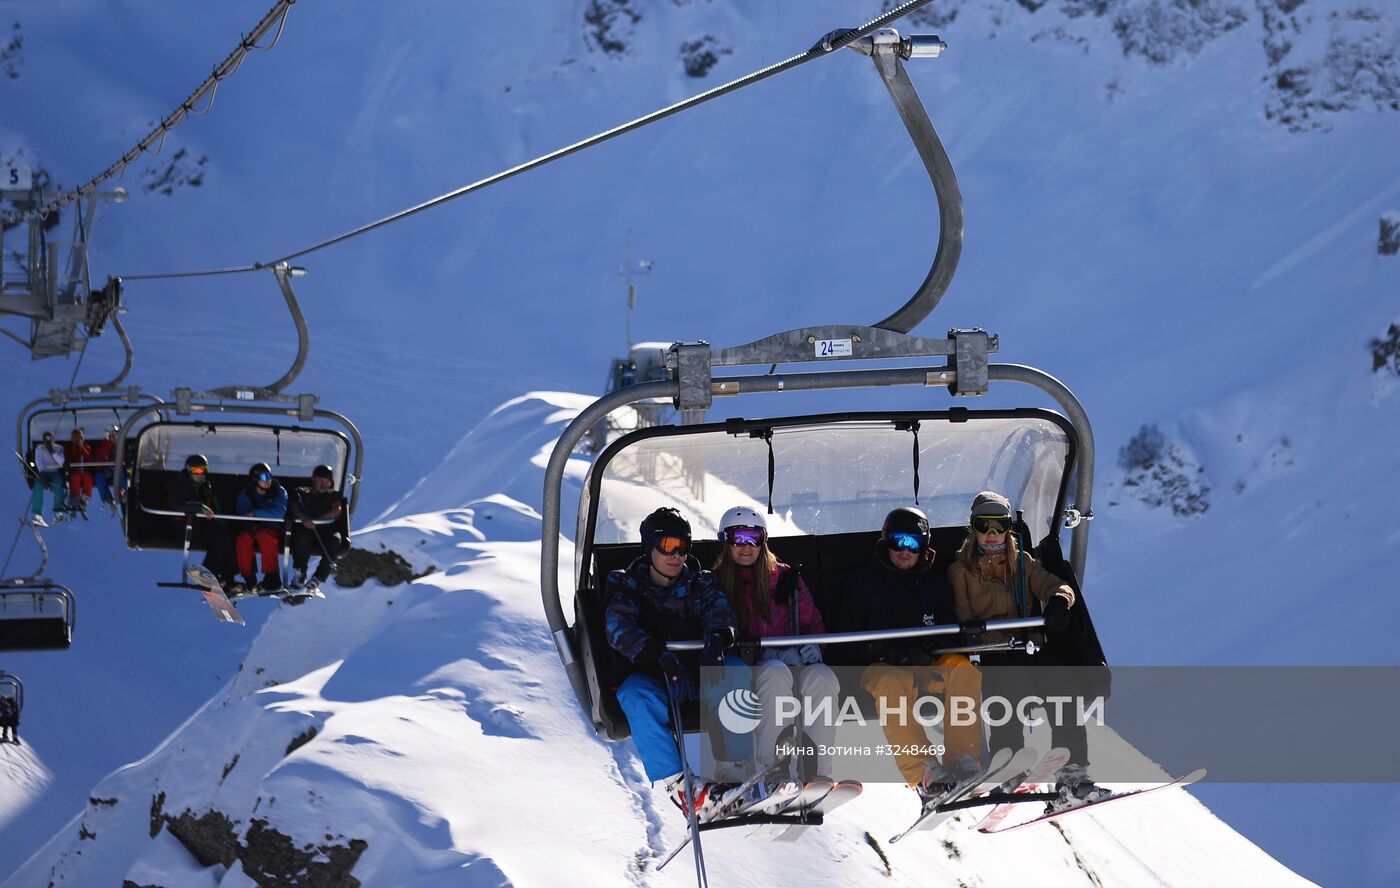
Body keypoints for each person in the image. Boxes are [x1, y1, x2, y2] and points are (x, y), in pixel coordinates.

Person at [949, 490, 1109, 811]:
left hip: (1030, 649)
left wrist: (1061, 601)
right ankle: (1007, 763)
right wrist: (978, 637)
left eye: (999, 527)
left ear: (1009, 529)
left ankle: (1072, 772)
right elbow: (963, 616)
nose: (992, 535)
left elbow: (1054, 585)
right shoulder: (961, 571)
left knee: (1064, 686)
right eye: (985, 526)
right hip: (993, 654)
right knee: (1007, 688)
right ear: (974, 529)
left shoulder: (1022, 562)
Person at [605, 507, 749, 821]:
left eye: (683, 547)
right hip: (657, 680)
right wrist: (657, 656)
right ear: (649, 547)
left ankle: (735, 769)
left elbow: (721, 613)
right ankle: (683, 786)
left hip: (698, 674)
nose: (677, 555)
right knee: (634, 694)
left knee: (736, 670)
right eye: (668, 546)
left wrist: (717, 639)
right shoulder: (626, 586)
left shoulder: (700, 582)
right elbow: (619, 628)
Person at [840, 506, 985, 810]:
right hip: (879, 668)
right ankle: (925, 775)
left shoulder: (935, 587)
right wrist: (884, 651)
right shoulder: (863, 584)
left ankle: (963, 760)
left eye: (914, 543)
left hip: (924, 666)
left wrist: (932, 646)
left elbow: (949, 633)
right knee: (892, 682)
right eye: (898, 541)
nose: (905, 551)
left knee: (962, 669)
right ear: (885, 542)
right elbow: (845, 640)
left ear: (924, 547)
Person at [710, 505, 842, 786]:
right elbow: (715, 634)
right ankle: (773, 769)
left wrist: (814, 647)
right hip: (753, 671)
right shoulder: (717, 585)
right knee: (774, 671)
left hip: (794, 662)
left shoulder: (785, 578)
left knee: (823, 677)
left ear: (763, 540)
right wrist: (760, 654)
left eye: (753, 538)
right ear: (725, 541)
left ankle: (818, 772)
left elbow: (812, 623)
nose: (746, 546)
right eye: (738, 538)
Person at [168, 453, 236, 591]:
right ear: (189, 470)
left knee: (229, 536)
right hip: (185, 527)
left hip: (201, 526)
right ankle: (207, 573)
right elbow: (176, 506)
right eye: (197, 471)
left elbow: (215, 505)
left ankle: (227, 578)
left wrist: (222, 518)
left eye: (204, 470)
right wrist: (199, 507)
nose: (201, 474)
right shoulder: (179, 485)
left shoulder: (206, 486)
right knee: (220, 538)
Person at [288, 465, 345, 594]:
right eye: (321, 480)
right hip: (306, 528)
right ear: (314, 480)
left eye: (327, 481)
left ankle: (318, 578)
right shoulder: (302, 493)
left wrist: (317, 519)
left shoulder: (333, 496)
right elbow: (294, 506)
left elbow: (337, 510)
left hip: (326, 530)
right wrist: (303, 518)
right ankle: (300, 573)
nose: (324, 484)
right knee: (302, 537)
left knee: (335, 542)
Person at [234, 462, 289, 594]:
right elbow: (243, 515)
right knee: (243, 539)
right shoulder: (246, 494)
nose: (268, 480)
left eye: (269, 476)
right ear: (255, 479)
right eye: (264, 477)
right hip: (253, 528)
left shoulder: (278, 491)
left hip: (271, 527)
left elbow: (279, 513)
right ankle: (249, 579)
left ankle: (272, 578)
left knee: (265, 536)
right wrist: (253, 521)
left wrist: (255, 513)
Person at [27, 431, 66, 527]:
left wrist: (52, 452)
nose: (48, 441)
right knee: (38, 486)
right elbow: (38, 461)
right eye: (46, 439)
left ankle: (58, 512)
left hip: (55, 471)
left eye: (50, 439)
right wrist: (42, 472)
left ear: (53, 439)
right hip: (44, 471)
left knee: (58, 484)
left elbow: (61, 462)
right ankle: (37, 515)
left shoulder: (59, 448)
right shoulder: (40, 449)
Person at [90, 427, 119, 517]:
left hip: (117, 468)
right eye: (112, 436)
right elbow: (100, 454)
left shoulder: (119, 445)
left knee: (120, 474)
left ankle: (123, 494)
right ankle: (108, 499)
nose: (115, 438)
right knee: (99, 477)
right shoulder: (105, 445)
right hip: (106, 469)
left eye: (116, 436)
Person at [63, 428, 94, 512]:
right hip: (75, 471)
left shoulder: (87, 447)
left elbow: (89, 458)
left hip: (85, 470)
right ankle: (75, 497)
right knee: (75, 478)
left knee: (88, 479)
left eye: (80, 437)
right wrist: (74, 448)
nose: (77, 440)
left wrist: (81, 448)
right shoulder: (69, 448)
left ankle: (84, 499)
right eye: (76, 437)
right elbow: (68, 459)